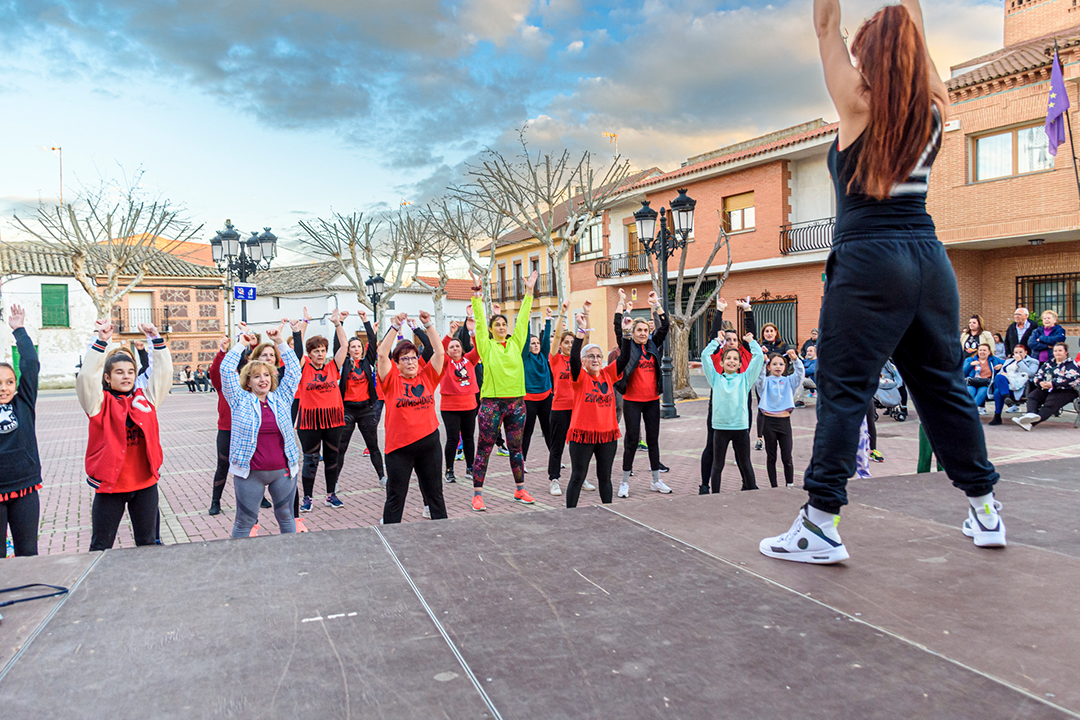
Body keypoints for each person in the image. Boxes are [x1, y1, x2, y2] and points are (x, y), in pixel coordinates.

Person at [761, 0, 1004, 564]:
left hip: (870, 257)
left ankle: (820, 524)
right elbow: (913, 26)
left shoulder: (857, 104)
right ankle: (985, 509)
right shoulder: (937, 109)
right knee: (943, 388)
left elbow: (824, 23)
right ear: (916, 54)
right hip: (929, 260)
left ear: (868, 54)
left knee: (844, 391)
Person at [77, 319, 172, 551]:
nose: (126, 376)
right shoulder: (98, 404)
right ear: (108, 378)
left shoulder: (146, 398)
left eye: (130, 371)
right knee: (100, 545)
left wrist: (155, 339)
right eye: (119, 372)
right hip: (111, 487)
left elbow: (164, 373)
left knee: (148, 543)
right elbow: (87, 378)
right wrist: (101, 341)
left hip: (145, 484)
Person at [208, 322, 302, 517]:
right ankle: (216, 501)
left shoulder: (281, 398)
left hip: (281, 470)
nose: (263, 379)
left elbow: (294, 371)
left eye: (267, 375)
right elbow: (225, 371)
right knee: (245, 520)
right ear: (248, 380)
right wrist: (240, 343)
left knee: (286, 518)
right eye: (257, 376)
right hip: (249, 468)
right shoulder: (240, 399)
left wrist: (280, 341)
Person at [468, 270, 539, 512]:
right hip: (491, 404)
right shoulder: (486, 347)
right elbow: (479, 322)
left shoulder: (516, 343)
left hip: (516, 403)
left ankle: (520, 488)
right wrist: (477, 294)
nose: (501, 326)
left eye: (503, 324)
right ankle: (478, 494)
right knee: (484, 449)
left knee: (516, 448)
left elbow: (524, 319)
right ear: (491, 330)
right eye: (497, 324)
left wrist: (529, 292)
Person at [376, 310, 447, 523]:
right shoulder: (391, 381)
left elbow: (440, 353)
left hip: (429, 445)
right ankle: (390, 536)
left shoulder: (427, 377)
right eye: (404, 359)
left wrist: (428, 325)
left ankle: (445, 534)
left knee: (435, 495)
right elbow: (382, 354)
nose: (410, 362)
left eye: (413, 358)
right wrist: (395, 327)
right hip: (399, 449)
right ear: (397, 364)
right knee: (396, 497)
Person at [613, 289, 671, 498]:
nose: (643, 333)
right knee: (631, 441)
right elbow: (617, 325)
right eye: (639, 330)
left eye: (645, 330)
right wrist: (620, 301)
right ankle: (624, 482)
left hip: (652, 401)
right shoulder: (627, 344)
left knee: (653, 440)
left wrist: (656, 304)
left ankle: (656, 480)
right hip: (632, 401)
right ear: (633, 331)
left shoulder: (653, 345)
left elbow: (665, 326)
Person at [701, 296, 757, 492]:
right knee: (713, 450)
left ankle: (748, 485)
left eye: (734, 339)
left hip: (740, 412)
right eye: (728, 340)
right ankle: (706, 486)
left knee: (743, 455)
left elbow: (752, 336)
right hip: (719, 413)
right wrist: (719, 311)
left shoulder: (744, 361)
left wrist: (747, 311)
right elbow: (711, 340)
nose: (731, 342)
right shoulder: (718, 361)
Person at [296, 309, 350, 513]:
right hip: (309, 421)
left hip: (333, 420)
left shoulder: (332, 367)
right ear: (309, 354)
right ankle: (307, 498)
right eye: (316, 351)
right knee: (310, 460)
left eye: (322, 350)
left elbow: (344, 345)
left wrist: (338, 324)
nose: (320, 354)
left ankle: (330, 495)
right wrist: (303, 324)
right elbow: (297, 349)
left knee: (332, 458)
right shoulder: (304, 368)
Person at [565, 315, 621, 508]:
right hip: (583, 435)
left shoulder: (608, 375)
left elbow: (627, 358)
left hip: (607, 435)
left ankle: (610, 511)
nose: (596, 359)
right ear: (583, 361)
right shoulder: (580, 376)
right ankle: (569, 513)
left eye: (598, 356)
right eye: (591, 356)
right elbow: (572, 358)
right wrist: (581, 331)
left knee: (605, 477)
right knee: (578, 477)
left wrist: (626, 333)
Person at [0, 305, 43, 556]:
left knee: (28, 553)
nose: (4, 388)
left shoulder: (23, 403)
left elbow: (31, 364)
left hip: (25, 488)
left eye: (9, 382)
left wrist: (20, 332)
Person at [336, 309, 387, 488]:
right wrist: (340, 322)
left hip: (366, 410)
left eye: (358, 346)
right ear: (348, 350)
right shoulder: (343, 363)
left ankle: (382, 477)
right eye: (352, 347)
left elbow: (373, 342)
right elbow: (338, 344)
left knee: (373, 446)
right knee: (341, 448)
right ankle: (333, 483)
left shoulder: (367, 362)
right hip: (347, 410)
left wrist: (365, 320)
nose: (356, 349)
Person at [547, 299, 593, 496]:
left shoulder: (580, 360)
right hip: (559, 408)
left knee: (579, 446)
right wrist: (562, 313)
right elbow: (557, 336)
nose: (568, 345)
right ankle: (554, 479)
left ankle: (580, 477)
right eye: (566, 342)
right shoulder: (555, 358)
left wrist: (587, 313)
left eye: (572, 343)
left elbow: (588, 338)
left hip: (579, 409)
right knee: (557, 447)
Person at [756, 348, 805, 488]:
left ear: (785, 367)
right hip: (769, 422)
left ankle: (789, 484)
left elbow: (800, 374)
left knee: (787, 457)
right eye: (774, 364)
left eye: (781, 364)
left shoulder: (789, 381)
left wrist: (795, 360)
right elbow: (759, 379)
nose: (778, 367)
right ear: (769, 367)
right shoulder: (765, 383)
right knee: (771, 456)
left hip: (784, 421)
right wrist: (762, 362)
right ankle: (774, 485)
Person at [440, 322, 481, 483]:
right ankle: (449, 470)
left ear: (461, 348)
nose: (455, 349)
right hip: (450, 407)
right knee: (452, 439)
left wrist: (472, 332)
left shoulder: (469, 360)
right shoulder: (445, 363)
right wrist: (450, 333)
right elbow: (440, 350)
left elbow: (479, 349)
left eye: (457, 346)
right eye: (452, 347)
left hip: (469, 406)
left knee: (469, 438)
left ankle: (470, 467)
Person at [1013, 343, 1080, 431]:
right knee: (1033, 396)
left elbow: (1072, 378)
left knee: (1050, 404)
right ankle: (1030, 415)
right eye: (1055, 351)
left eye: (1060, 351)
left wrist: (1052, 384)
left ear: (1066, 352)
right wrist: (1040, 383)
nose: (1057, 353)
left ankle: (1030, 423)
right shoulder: (1049, 363)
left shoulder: (1072, 364)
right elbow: (1038, 375)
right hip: (1047, 388)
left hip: (1065, 390)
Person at [522, 310, 554, 470]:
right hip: (529, 400)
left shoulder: (544, 355)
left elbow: (547, 340)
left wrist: (548, 320)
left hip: (546, 398)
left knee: (548, 430)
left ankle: (554, 460)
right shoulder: (525, 357)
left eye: (537, 343)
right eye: (532, 343)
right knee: (527, 431)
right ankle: (523, 461)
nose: (535, 345)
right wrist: (527, 320)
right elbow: (526, 339)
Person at [755, 323, 790, 450]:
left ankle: (781, 434)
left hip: (779, 384)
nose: (769, 333)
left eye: (771, 331)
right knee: (762, 409)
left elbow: (789, 360)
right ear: (763, 334)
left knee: (780, 408)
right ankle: (760, 438)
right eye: (766, 331)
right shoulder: (760, 346)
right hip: (764, 382)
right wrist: (761, 354)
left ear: (776, 332)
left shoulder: (783, 345)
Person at [988, 343, 1039, 425]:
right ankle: (1006, 398)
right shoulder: (1008, 361)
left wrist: (1019, 361)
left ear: (1026, 352)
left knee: (997, 391)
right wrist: (1004, 374)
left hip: (1020, 387)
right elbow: (1000, 374)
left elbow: (1030, 374)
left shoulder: (1033, 362)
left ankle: (998, 415)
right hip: (1006, 385)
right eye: (1016, 353)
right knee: (999, 377)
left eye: (1020, 352)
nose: (1018, 354)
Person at [964, 344, 1002, 414]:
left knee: (982, 393)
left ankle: (969, 412)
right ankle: (968, 412)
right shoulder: (970, 359)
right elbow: (962, 372)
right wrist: (970, 365)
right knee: (970, 393)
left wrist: (1001, 366)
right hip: (972, 382)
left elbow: (1008, 363)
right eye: (980, 350)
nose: (982, 352)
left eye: (984, 350)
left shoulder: (994, 360)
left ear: (989, 352)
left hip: (985, 383)